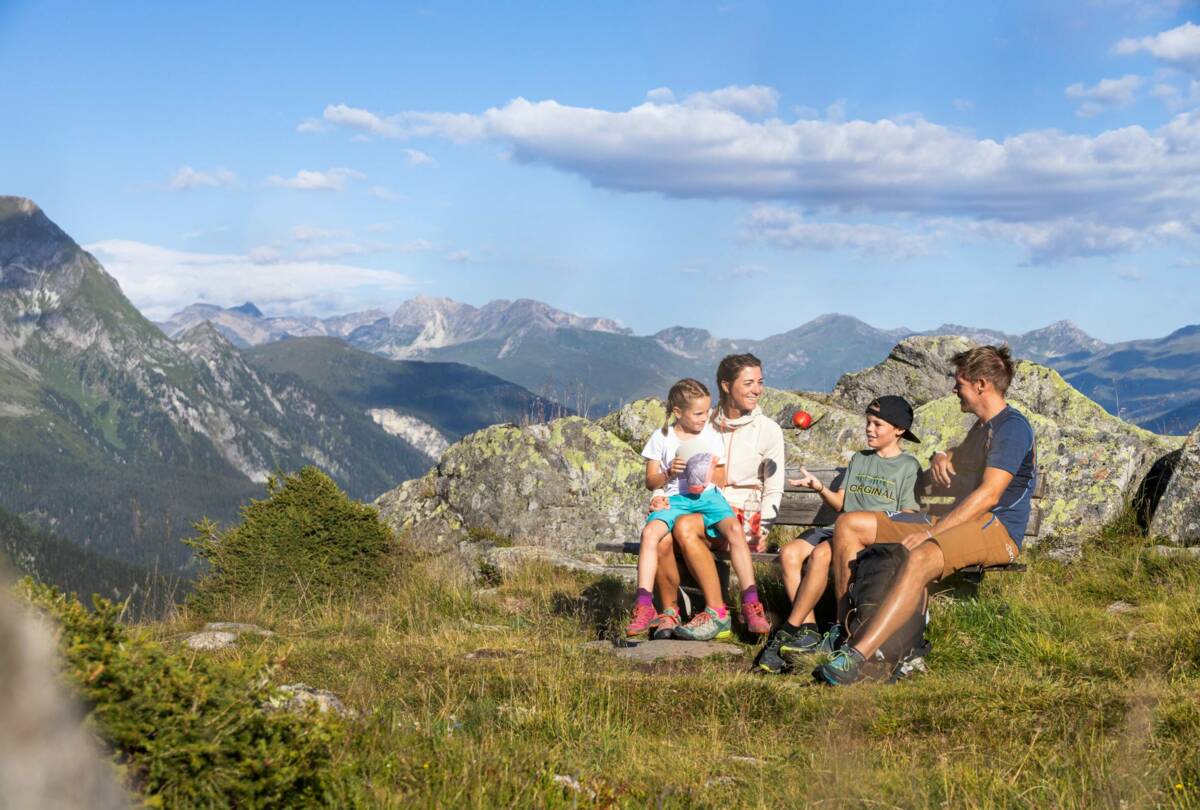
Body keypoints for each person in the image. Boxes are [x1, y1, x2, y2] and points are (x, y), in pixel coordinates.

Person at [816, 345, 1037, 686]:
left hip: (997, 528)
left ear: (981, 385)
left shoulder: (1012, 428)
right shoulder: (983, 427)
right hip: (961, 520)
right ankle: (844, 630)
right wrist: (940, 454)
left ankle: (856, 656)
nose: (954, 389)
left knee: (919, 556)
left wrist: (933, 534)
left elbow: (989, 495)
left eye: (959, 382)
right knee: (849, 524)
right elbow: (959, 457)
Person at [756, 395, 924, 674]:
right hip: (836, 529)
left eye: (877, 424)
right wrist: (820, 487)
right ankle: (808, 630)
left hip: (865, 538)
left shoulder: (908, 466)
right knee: (789, 553)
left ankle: (790, 631)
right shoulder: (860, 459)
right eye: (868, 422)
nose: (869, 429)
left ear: (899, 430)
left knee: (822, 554)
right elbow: (843, 504)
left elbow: (906, 513)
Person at [668, 354, 783, 641]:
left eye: (760, 382)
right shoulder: (704, 424)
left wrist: (765, 526)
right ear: (726, 386)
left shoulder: (768, 429)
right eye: (748, 383)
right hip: (705, 507)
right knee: (663, 534)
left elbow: (774, 485)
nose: (756, 389)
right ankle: (671, 612)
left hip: (744, 514)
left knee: (683, 528)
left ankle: (717, 611)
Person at [624, 378, 744, 638]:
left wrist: (706, 470)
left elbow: (720, 478)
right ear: (678, 412)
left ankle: (726, 607)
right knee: (653, 535)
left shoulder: (710, 436)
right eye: (698, 413)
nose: (705, 418)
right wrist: (668, 473)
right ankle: (646, 604)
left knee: (679, 534)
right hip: (675, 501)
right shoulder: (661, 437)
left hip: (702, 504)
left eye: (707, 411)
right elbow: (651, 481)